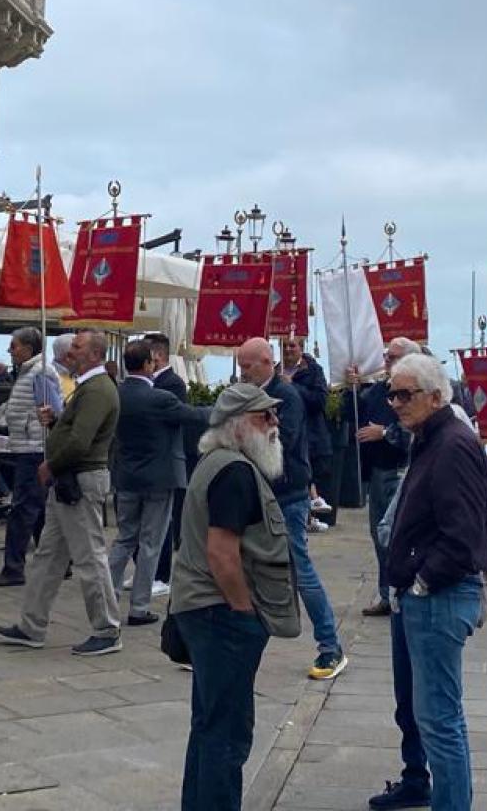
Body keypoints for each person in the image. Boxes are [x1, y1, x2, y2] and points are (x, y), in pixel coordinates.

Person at [169, 382, 301, 810]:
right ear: (240, 425)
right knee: (227, 733)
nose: (275, 424)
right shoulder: (235, 472)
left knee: (209, 725)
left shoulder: (216, 463)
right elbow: (221, 553)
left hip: (203, 609)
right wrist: (244, 611)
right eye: (266, 416)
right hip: (219, 613)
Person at [379, 352, 487, 811]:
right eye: (392, 393)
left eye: (404, 394)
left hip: (439, 597)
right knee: (432, 716)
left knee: (440, 720)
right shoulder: (429, 437)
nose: (395, 403)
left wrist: (424, 581)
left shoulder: (453, 444)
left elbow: (462, 535)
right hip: (420, 593)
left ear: (434, 395)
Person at [0, 330, 122, 656]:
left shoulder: (97, 390)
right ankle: (31, 625)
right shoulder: (89, 387)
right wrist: (55, 422)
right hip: (70, 481)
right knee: (49, 556)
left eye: (77, 348)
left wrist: (51, 463)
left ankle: (107, 629)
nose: (70, 353)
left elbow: (81, 441)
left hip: (78, 479)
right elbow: (76, 432)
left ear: (94, 354)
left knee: (89, 556)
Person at [240, 336, 347, 680]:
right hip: (257, 494)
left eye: (247, 366)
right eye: (240, 367)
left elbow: (280, 442)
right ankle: (234, 644)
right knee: (246, 570)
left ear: (266, 362)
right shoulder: (251, 395)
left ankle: (331, 647)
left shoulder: (286, 396)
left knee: (299, 572)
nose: (242, 373)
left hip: (287, 495)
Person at [107, 339, 206, 625]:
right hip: (159, 478)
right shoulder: (159, 397)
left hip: (126, 476)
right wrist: (230, 408)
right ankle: (138, 607)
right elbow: (195, 416)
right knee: (151, 542)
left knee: (124, 539)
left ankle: (108, 595)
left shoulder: (117, 394)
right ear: (149, 364)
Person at [352, 338, 420, 617]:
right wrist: (353, 388)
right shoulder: (381, 388)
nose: (387, 361)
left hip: (400, 469)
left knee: (397, 533)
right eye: (387, 356)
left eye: (393, 357)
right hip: (377, 471)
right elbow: (356, 413)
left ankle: (402, 591)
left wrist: (386, 433)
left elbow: (417, 431)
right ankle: (386, 592)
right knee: (380, 534)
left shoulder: (419, 391)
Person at [0, 327, 52, 587]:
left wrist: (31, 428)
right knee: (34, 508)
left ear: (28, 348)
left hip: (32, 448)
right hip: (24, 445)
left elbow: (51, 409)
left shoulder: (40, 371)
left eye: (13, 346)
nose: (9, 351)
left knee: (23, 509)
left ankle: (13, 568)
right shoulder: (28, 372)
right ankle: (59, 563)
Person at [150, 331, 199, 585]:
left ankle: (161, 574)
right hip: (149, 458)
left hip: (166, 457)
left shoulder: (173, 383)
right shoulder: (148, 381)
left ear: (156, 355)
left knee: (165, 520)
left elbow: (174, 418)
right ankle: (146, 570)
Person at [285, 338, 334, 525]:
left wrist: (293, 386)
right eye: (284, 346)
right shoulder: (276, 371)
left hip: (312, 435)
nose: (288, 350)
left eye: (292, 346)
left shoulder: (314, 370)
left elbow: (319, 401)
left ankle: (310, 512)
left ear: (301, 348)